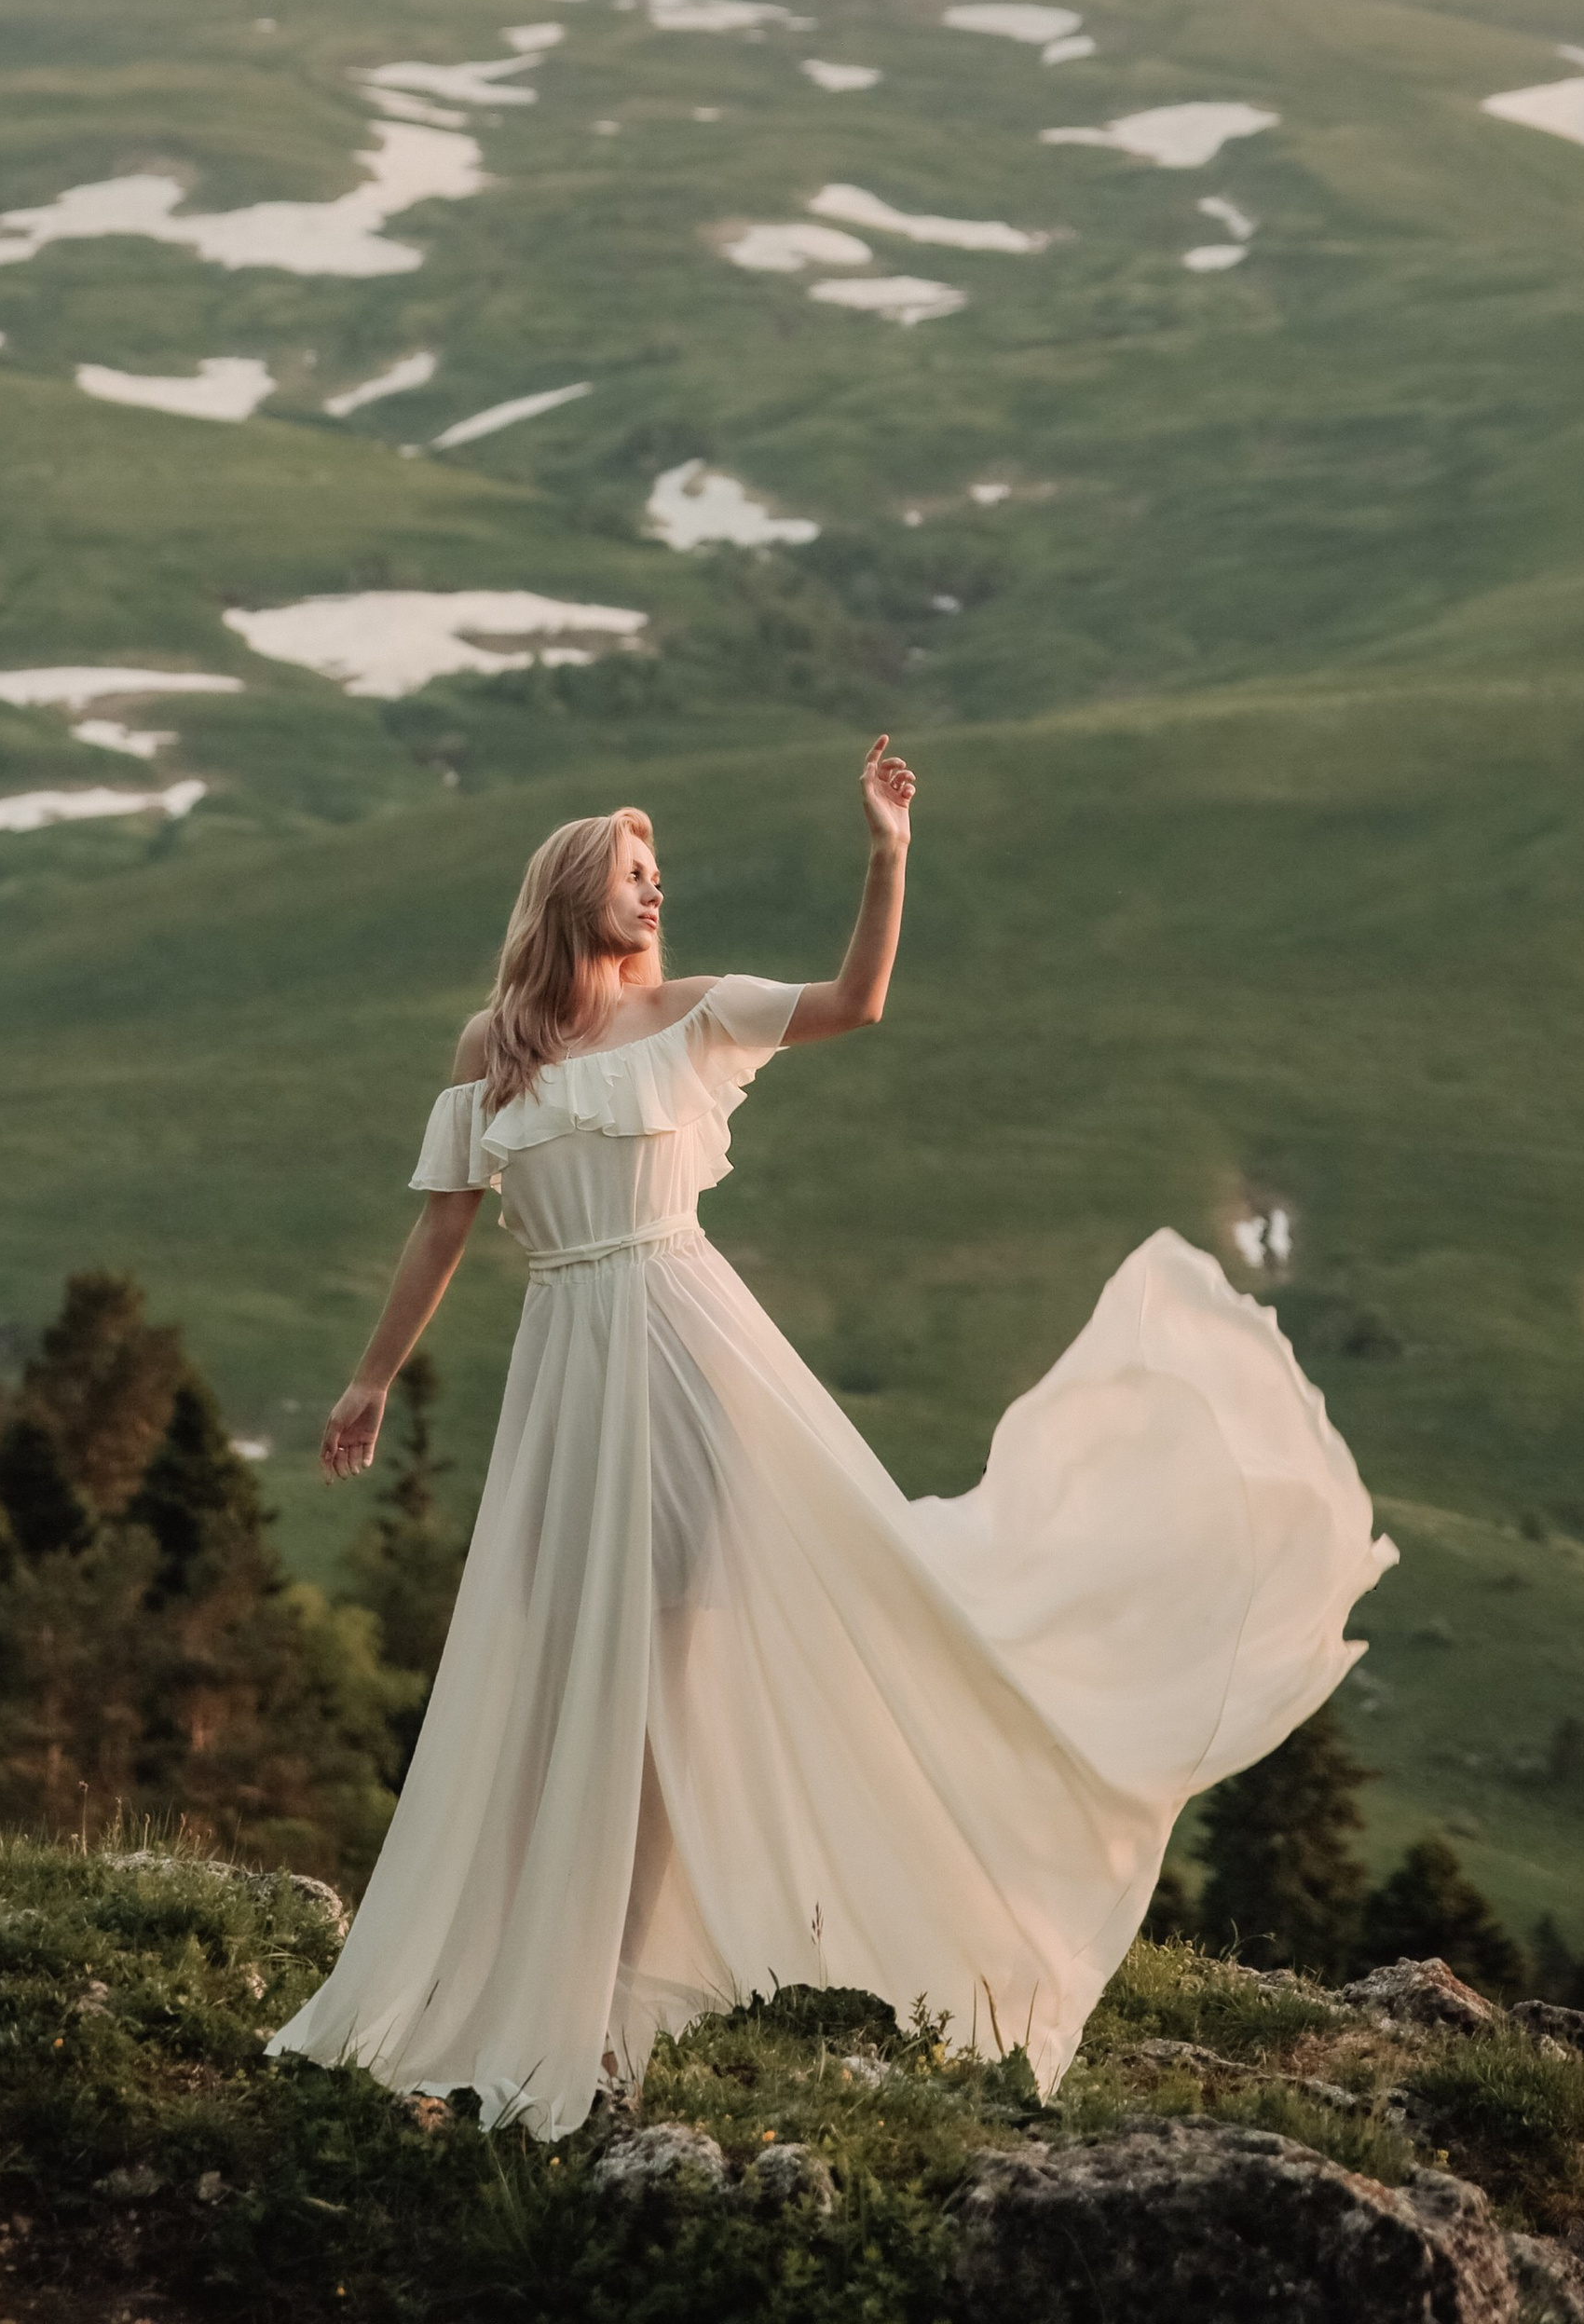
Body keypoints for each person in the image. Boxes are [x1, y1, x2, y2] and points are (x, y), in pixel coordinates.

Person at [270, 737, 1392, 2138]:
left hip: (695, 1368)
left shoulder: (691, 1015)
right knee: (557, 1670)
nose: (654, 889)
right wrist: (372, 1380)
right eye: (631, 872)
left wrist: (888, 853)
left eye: (657, 873)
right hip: (569, 1375)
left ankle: (609, 2002)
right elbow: (441, 1227)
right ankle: (528, 1971)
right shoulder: (492, 1057)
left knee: (667, 1667)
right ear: (569, 891)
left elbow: (858, 1002)